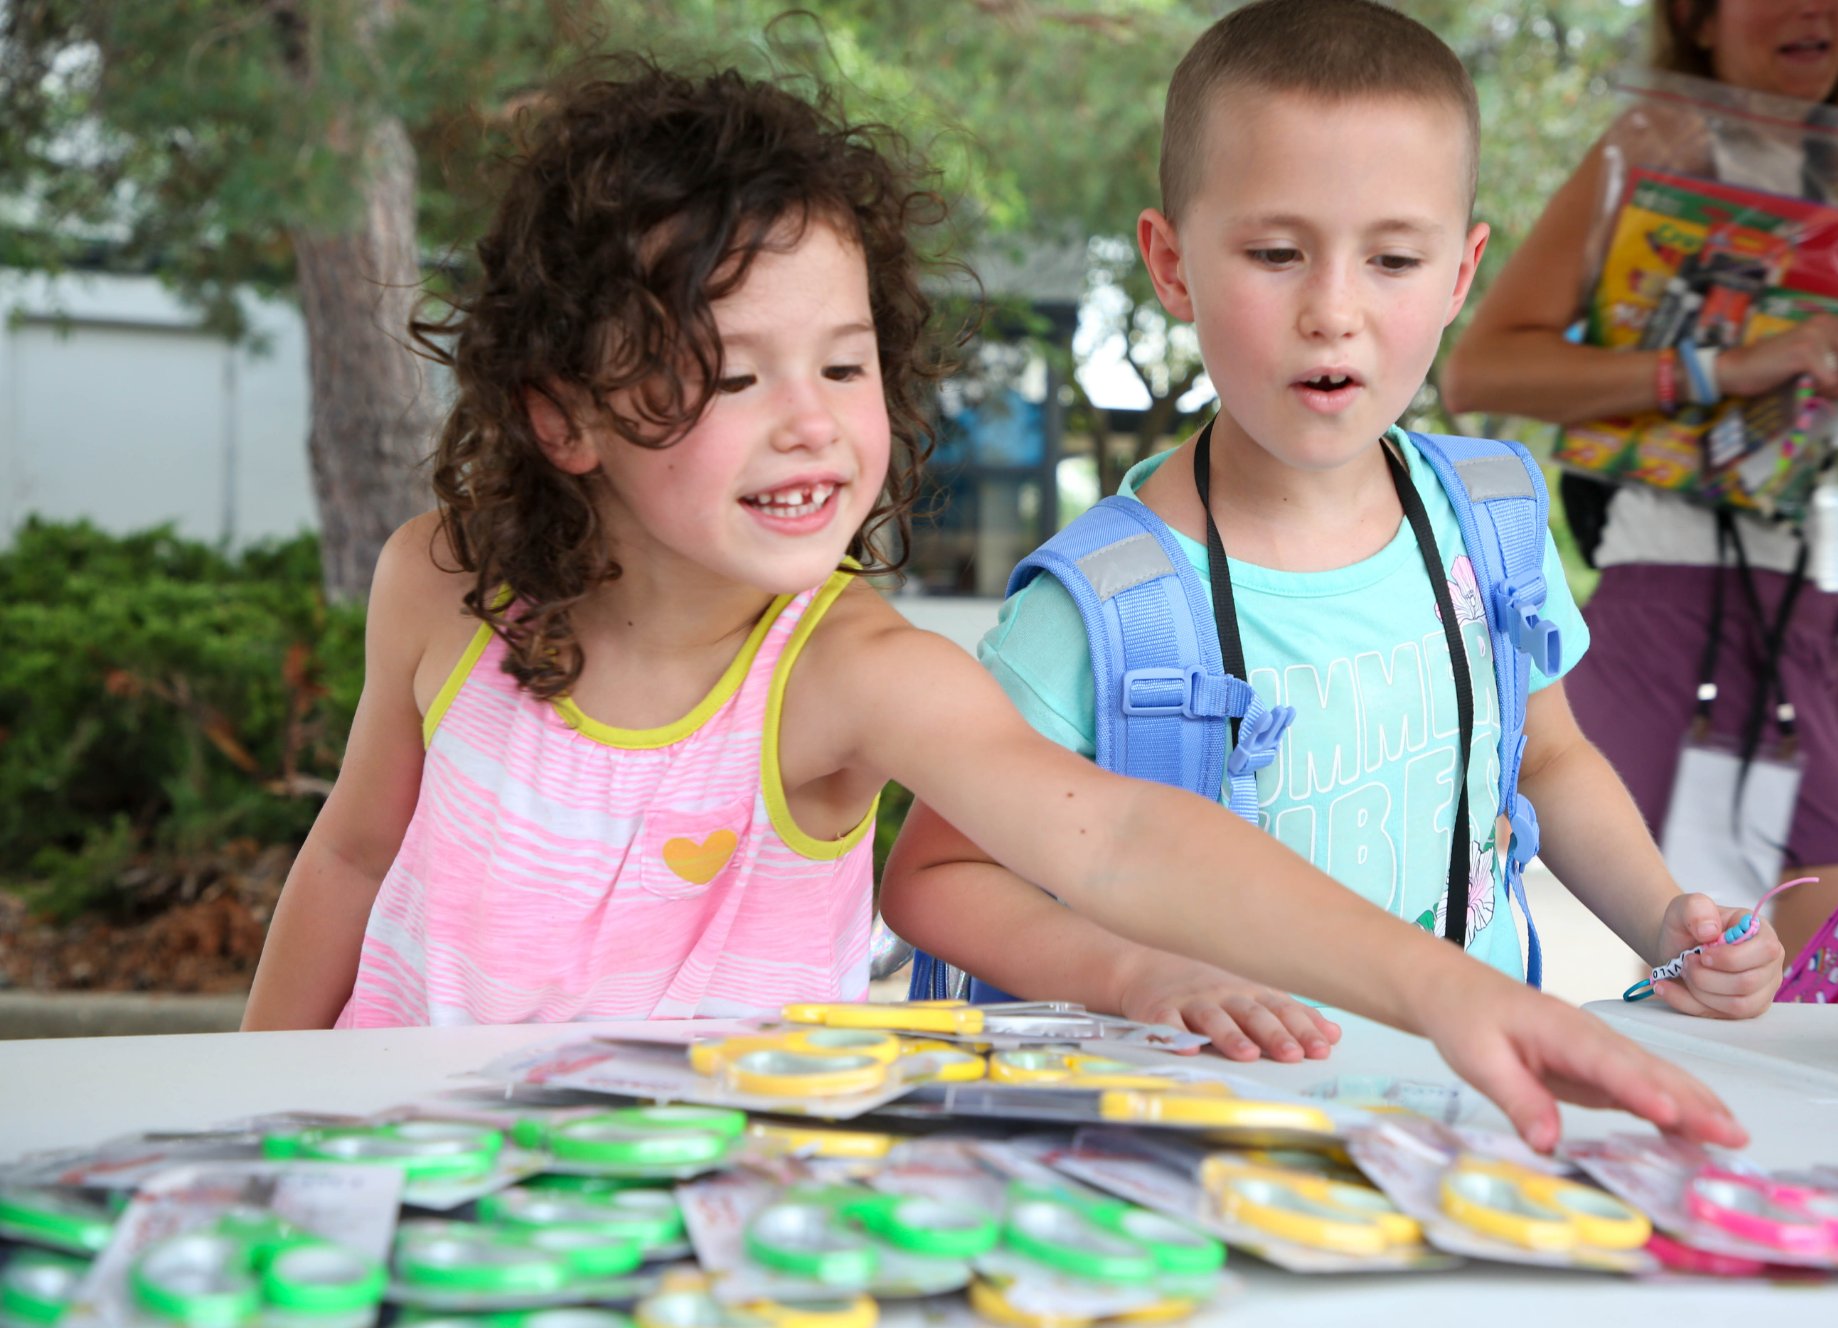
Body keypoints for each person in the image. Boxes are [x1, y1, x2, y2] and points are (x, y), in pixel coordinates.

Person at [237, 60, 1743, 1155]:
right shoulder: (440, 583)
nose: (811, 423)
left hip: (723, 1214)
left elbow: (1121, 832)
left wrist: (1436, 989)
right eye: (731, 372)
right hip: (389, 1169)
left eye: (843, 363)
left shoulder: (850, 673)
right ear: (564, 414)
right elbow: (356, 856)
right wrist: (230, 1107)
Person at [880, 0, 1785, 1075]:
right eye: (1274, 252)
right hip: (1197, 1145)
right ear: (1169, 266)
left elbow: (1545, 757)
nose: (1332, 309)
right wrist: (1137, 976)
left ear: (1459, 275)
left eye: (1393, 261)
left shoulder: (1489, 520)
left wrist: (1663, 924)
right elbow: (930, 878)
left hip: (1467, 1110)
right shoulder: (1101, 605)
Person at [1443, 1, 1838, 958]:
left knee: (1837, 971)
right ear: (1696, 15)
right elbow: (1480, 370)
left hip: (1804, 625)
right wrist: (1721, 369)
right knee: (1730, 967)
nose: (1814, 9)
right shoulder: (1643, 155)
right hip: (1668, 604)